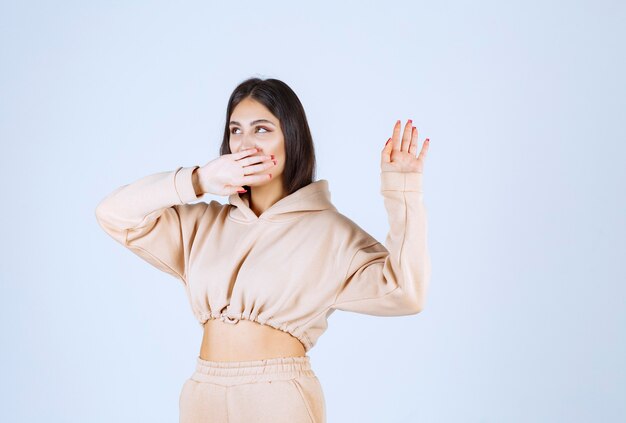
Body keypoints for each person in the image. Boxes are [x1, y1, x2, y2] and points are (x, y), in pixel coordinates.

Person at [95, 77, 431, 423]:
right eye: (235, 131)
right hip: (202, 395)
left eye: (262, 130)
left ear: (292, 139)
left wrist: (403, 191)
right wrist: (196, 181)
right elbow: (113, 214)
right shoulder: (201, 225)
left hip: (277, 398)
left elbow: (405, 292)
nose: (245, 145)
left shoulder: (328, 232)